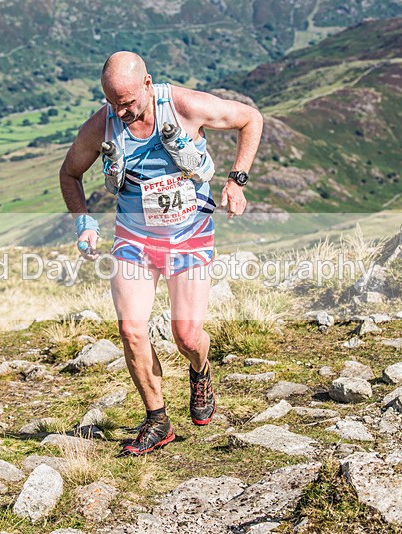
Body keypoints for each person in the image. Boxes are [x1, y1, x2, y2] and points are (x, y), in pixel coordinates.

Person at [59, 51, 262, 455]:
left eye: (129, 101)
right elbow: (69, 173)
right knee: (132, 329)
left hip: (190, 236)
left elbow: (250, 119)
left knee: (186, 335)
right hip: (135, 239)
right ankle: (158, 420)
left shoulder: (184, 106)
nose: (122, 111)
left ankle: (200, 370)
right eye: (114, 102)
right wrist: (83, 221)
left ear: (148, 84)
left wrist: (236, 181)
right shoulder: (104, 124)